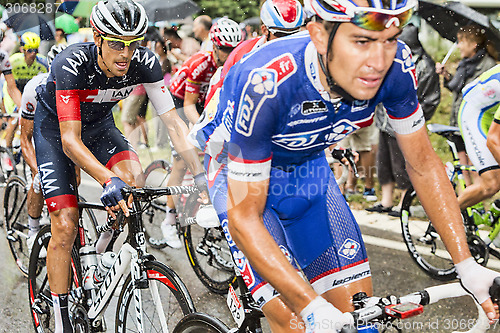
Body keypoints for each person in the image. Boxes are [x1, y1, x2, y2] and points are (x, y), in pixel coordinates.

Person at [189, 0, 500, 331]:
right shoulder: (267, 81)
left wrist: (466, 265)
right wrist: (309, 307)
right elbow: (245, 216)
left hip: (308, 171)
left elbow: (423, 164)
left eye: (391, 38)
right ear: (320, 37)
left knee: (360, 319)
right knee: (296, 320)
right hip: (238, 176)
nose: (379, 62)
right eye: (362, 41)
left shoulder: (397, 67)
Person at [33, 1, 206, 332]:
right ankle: (60, 318)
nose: (125, 53)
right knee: (66, 222)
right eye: (116, 43)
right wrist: (106, 178)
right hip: (57, 131)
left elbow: (173, 124)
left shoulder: (145, 63)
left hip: (99, 127)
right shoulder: (70, 63)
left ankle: (98, 260)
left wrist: (200, 174)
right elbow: (70, 141)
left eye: (133, 43)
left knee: (134, 186)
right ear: (97, 37)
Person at [159, 18, 242, 248]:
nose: (229, 54)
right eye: (225, 49)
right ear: (214, 47)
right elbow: (188, 107)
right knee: (181, 161)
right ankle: (168, 219)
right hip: (178, 103)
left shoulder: (234, 63)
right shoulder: (201, 63)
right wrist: (205, 131)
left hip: (203, 103)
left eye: (233, 49)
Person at [367, 22, 440, 215]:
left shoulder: (425, 65)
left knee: (402, 164)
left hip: (405, 122)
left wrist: (413, 116)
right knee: (384, 162)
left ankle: (403, 202)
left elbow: (431, 99)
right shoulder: (388, 59)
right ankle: (386, 200)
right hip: (384, 119)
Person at [204, 0, 305, 106]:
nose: (287, 40)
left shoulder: (306, 47)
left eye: (294, 34)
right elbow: (220, 93)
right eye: (281, 34)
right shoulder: (242, 53)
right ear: (265, 30)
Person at [436, 24, 498, 186]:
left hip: (476, 121)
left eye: (461, 41)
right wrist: (446, 75)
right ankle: (468, 205)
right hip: (457, 119)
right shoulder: (465, 63)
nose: (458, 46)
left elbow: (475, 93)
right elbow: (456, 88)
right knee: (464, 166)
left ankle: (477, 199)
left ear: (473, 44)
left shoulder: (487, 65)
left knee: (475, 165)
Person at [21, 44, 68, 253]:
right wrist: (36, 169)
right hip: (40, 131)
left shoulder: (78, 86)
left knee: (72, 177)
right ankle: (33, 230)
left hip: (63, 133)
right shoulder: (34, 88)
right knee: (41, 178)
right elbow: (25, 139)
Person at [457, 64, 500, 213]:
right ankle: (445, 217)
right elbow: (493, 140)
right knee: (492, 184)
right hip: (474, 116)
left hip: (493, 114)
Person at [2, 32, 47, 150]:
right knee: (15, 117)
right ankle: (8, 148)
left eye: (35, 50)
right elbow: (10, 87)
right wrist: (20, 105)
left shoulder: (42, 63)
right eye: (29, 50)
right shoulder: (14, 61)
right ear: (22, 50)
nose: (33, 54)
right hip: (13, 90)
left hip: (30, 92)